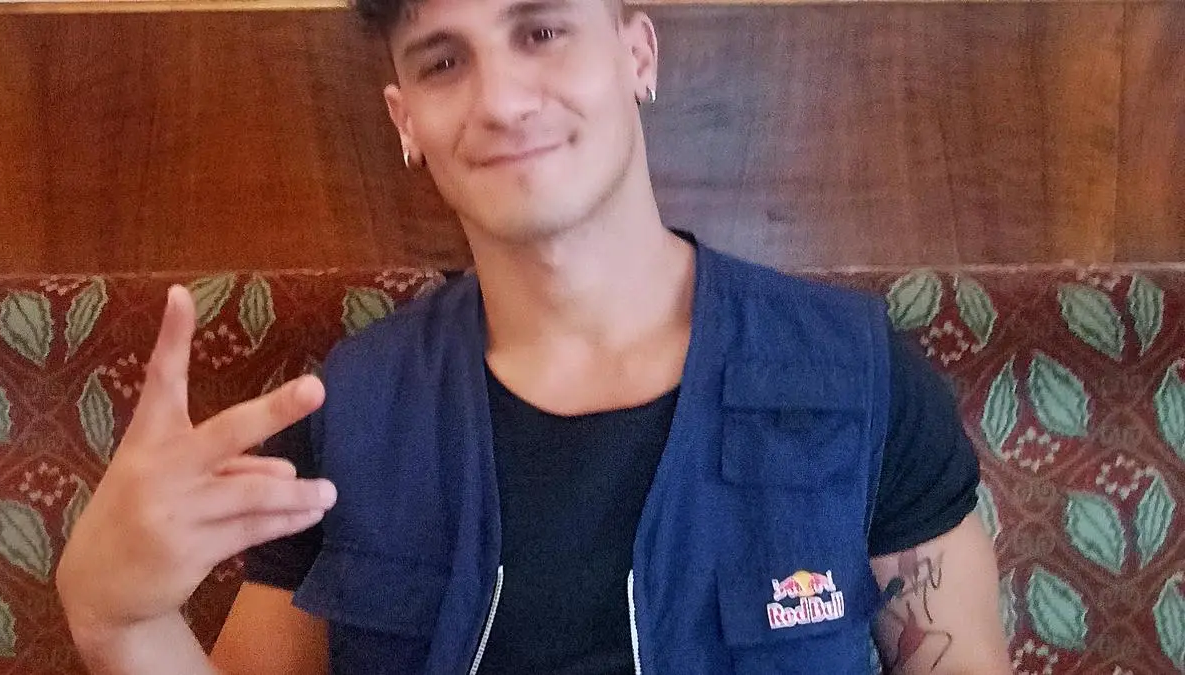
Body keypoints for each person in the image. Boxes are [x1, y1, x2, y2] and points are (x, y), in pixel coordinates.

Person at [54, 0, 1013, 673]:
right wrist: (116, 620)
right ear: (406, 121)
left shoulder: (858, 376)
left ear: (637, 54)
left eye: (542, 31)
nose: (502, 101)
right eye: (443, 61)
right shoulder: (348, 414)